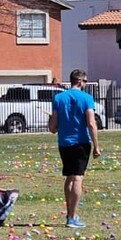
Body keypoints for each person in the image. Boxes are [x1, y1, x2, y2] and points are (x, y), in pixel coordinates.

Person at [48, 69, 100, 229]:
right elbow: (91, 123)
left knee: (69, 177)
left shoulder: (58, 98)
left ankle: (70, 214)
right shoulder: (86, 98)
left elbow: (53, 128)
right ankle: (71, 217)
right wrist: (97, 146)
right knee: (77, 178)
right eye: (85, 82)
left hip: (64, 143)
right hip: (80, 142)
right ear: (80, 81)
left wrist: (52, 122)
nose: (85, 84)